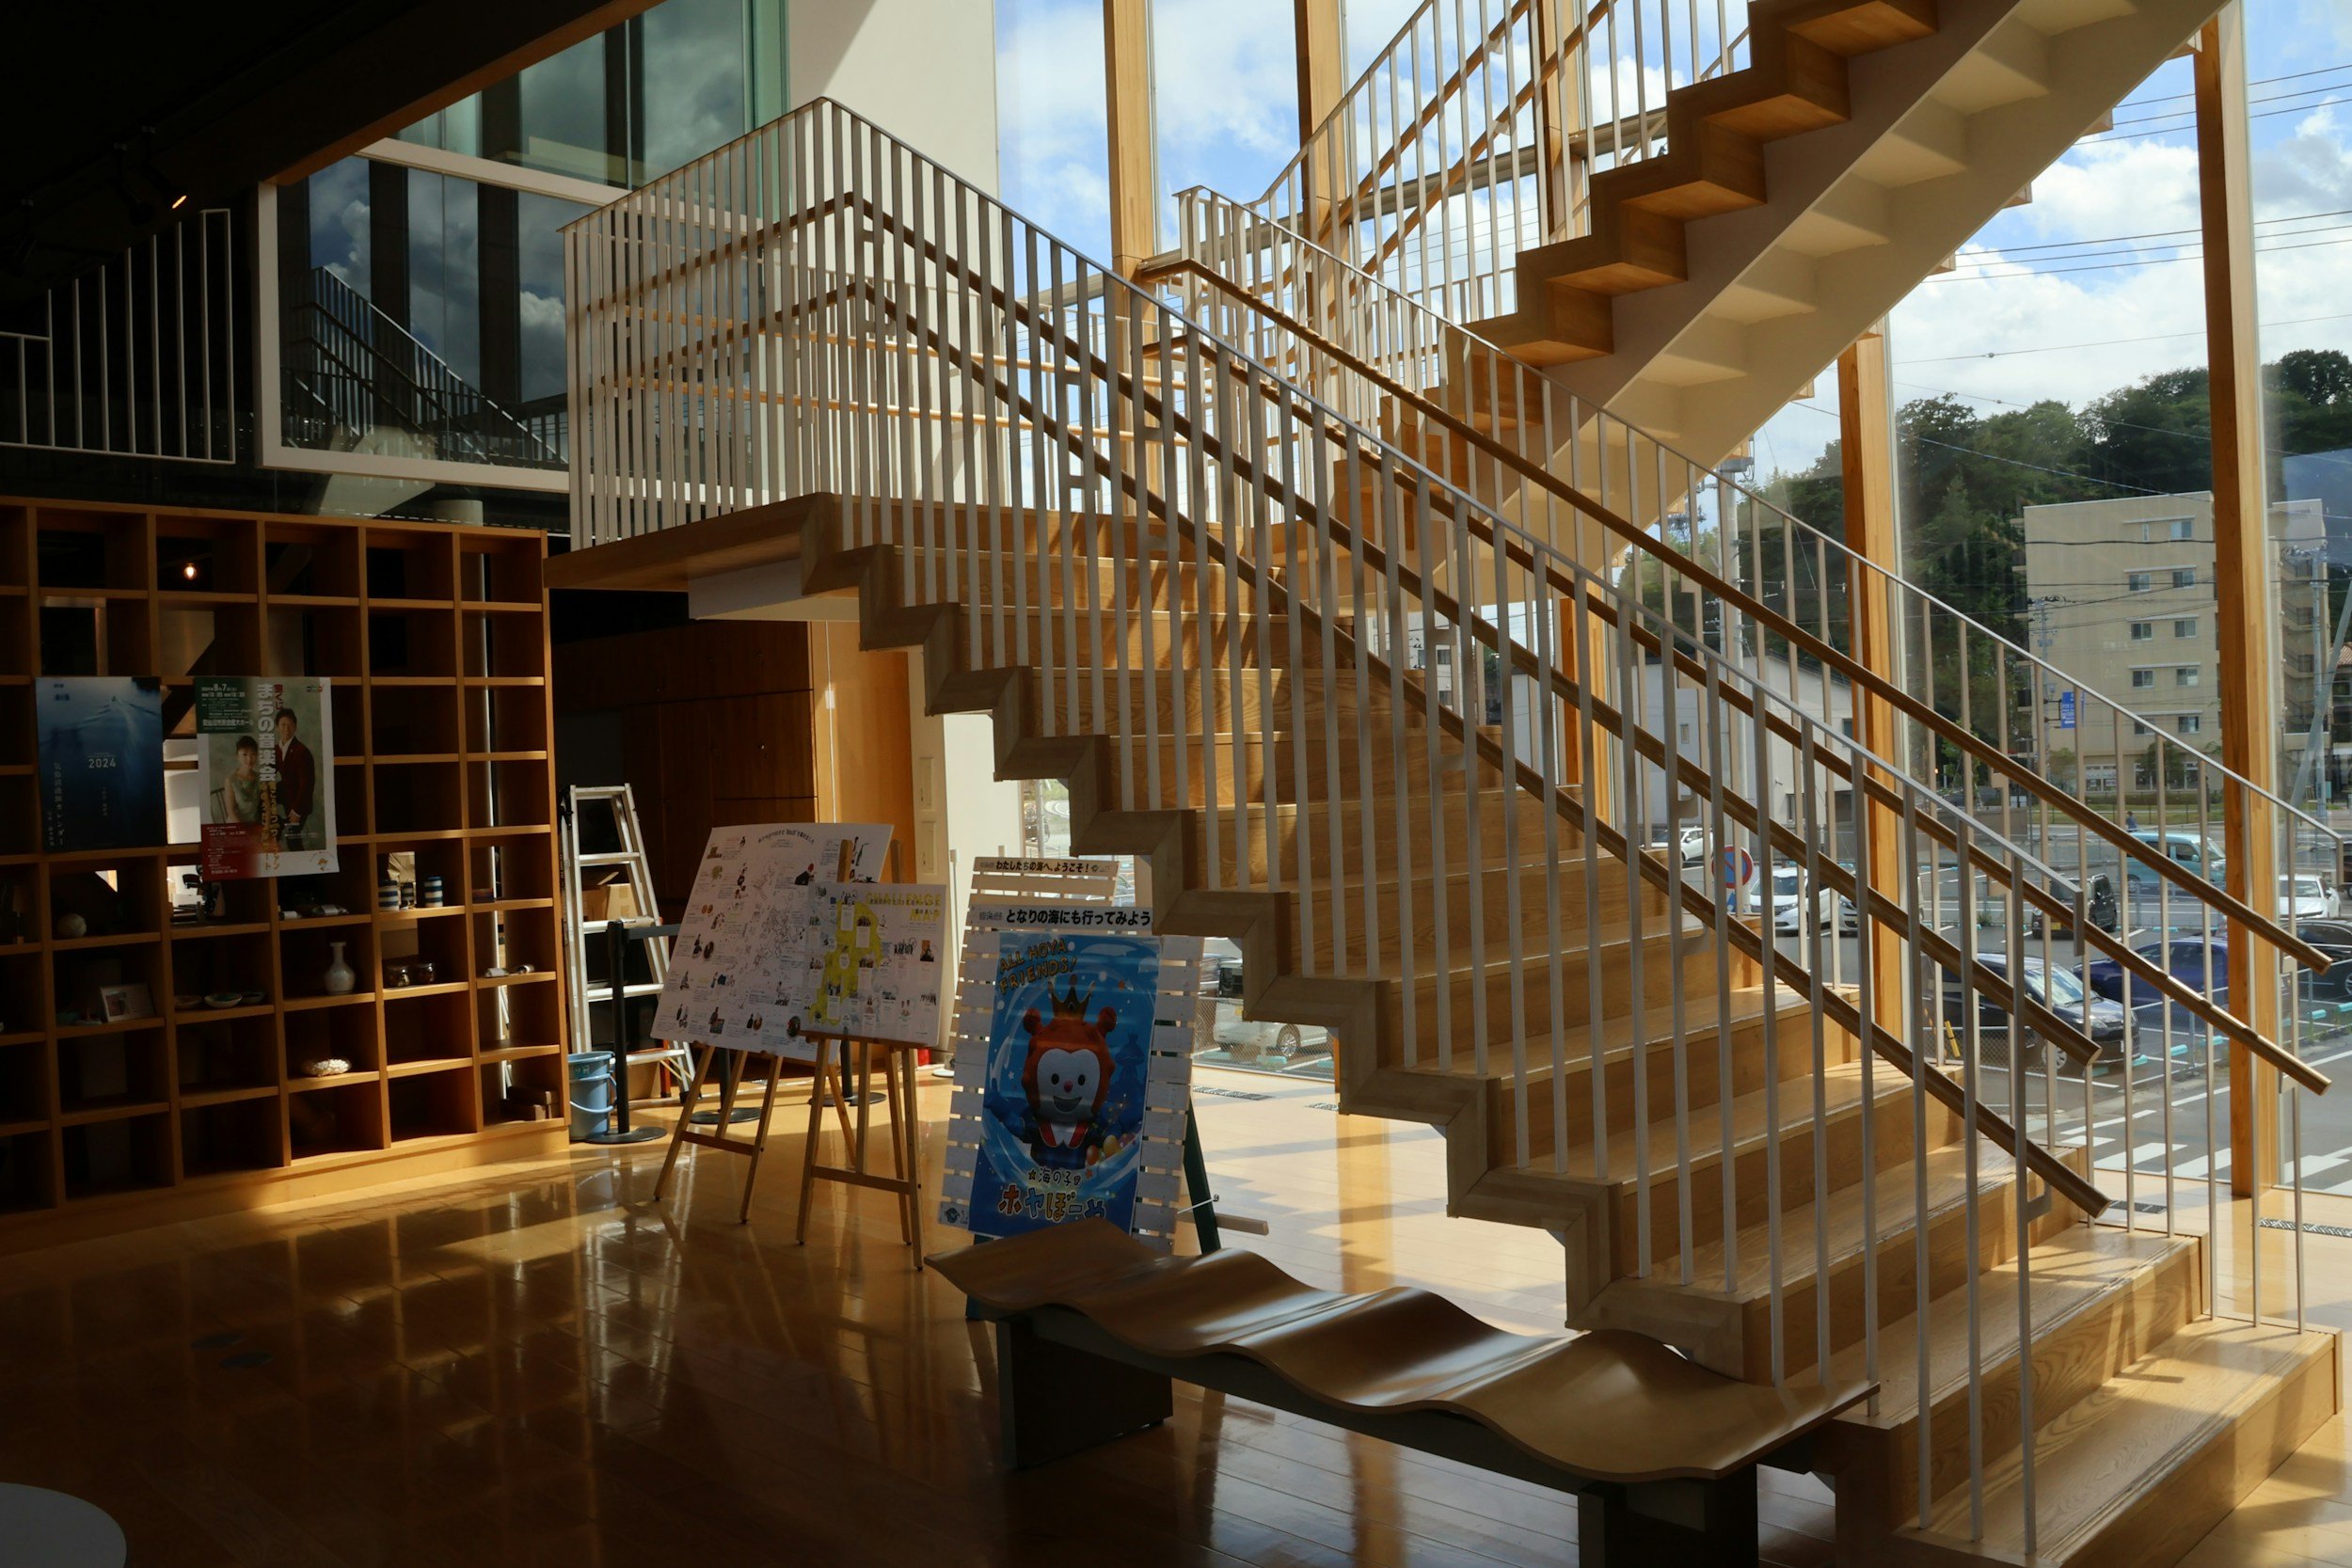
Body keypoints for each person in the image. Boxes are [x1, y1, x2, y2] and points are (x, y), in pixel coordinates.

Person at [275, 706, 317, 849]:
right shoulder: (276, 749)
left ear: (295, 727)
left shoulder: (302, 751)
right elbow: (269, 771)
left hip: (300, 799)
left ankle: (300, 862)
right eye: (283, 724)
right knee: (262, 796)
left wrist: (297, 811)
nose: (286, 728)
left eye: (290, 724)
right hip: (286, 792)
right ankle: (278, 824)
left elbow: (307, 784)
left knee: (292, 838)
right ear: (277, 727)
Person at [221, 736, 264, 830]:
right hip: (236, 825)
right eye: (244, 755)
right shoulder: (230, 780)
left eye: (253, 754)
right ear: (238, 756)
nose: (249, 759)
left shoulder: (260, 778)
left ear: (257, 755)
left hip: (255, 823)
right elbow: (231, 811)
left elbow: (267, 806)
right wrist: (245, 831)